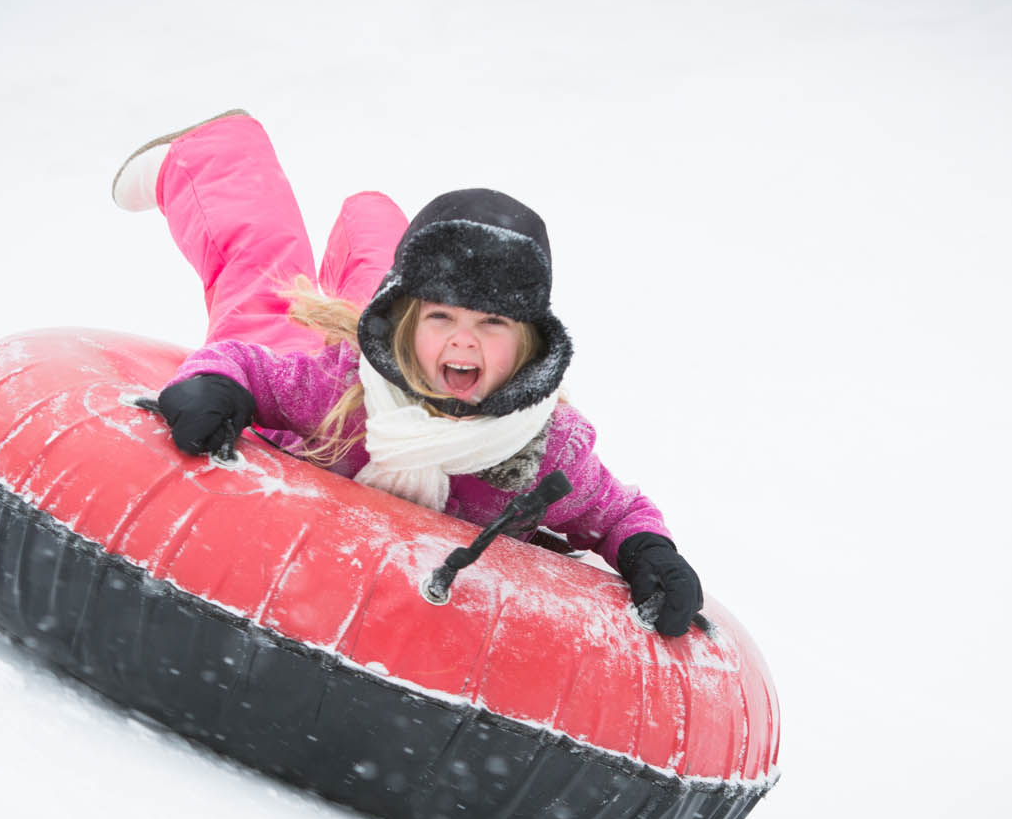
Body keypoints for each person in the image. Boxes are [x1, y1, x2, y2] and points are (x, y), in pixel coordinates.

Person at [111, 110, 703, 636]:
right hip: (349, 361)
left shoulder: (543, 451)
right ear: (406, 321)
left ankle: (374, 222)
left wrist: (649, 551)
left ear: (528, 345)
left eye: (493, 322)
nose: (465, 338)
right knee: (263, 289)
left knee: (382, 282)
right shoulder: (338, 391)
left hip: (397, 337)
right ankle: (212, 152)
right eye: (443, 315)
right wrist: (215, 385)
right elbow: (247, 366)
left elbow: (616, 512)